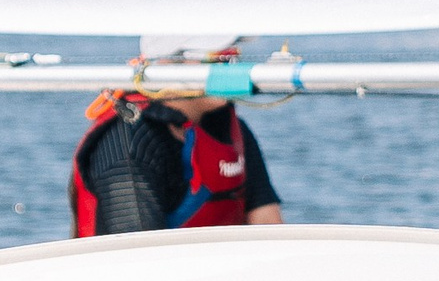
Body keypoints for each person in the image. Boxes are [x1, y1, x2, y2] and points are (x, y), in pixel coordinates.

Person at [69, 92, 284, 236]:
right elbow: (137, 263)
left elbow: (269, 224)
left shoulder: (231, 129)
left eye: (234, 53)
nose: (232, 63)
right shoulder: (128, 146)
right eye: (218, 56)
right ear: (168, 61)